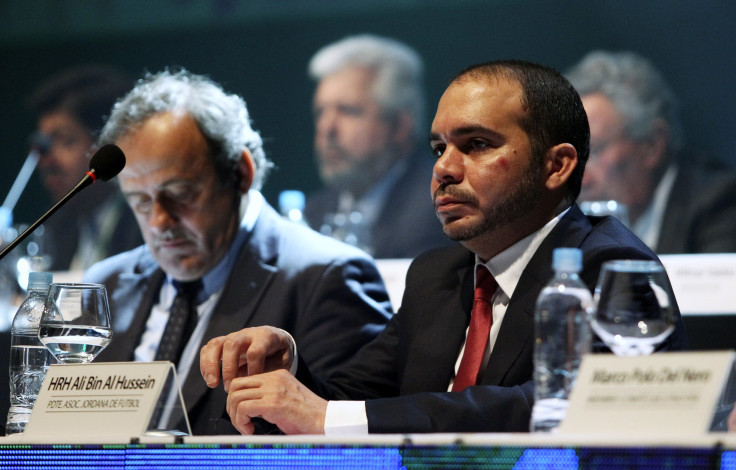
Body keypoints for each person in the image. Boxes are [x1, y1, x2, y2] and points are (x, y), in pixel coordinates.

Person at [199, 60, 688, 435]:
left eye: (475, 144)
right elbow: (354, 399)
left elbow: (560, 407)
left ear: (556, 166)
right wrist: (288, 374)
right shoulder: (438, 274)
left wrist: (324, 415)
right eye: (439, 149)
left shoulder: (613, 267)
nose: (444, 170)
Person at [83, 68, 392, 435]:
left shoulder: (329, 277)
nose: (160, 222)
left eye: (180, 194)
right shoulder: (106, 284)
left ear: (241, 173)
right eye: (140, 201)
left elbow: (353, 433)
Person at [566, 50, 736, 254]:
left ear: (653, 145)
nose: (581, 180)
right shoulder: (563, 216)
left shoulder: (719, 204)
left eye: (595, 151)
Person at [303, 34, 452, 258]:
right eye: (320, 112)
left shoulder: (441, 207)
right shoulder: (312, 214)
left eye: (348, 110)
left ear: (400, 126)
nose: (327, 128)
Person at [25, 64, 143, 270]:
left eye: (65, 141)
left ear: (110, 145)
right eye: (44, 143)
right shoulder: (55, 225)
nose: (45, 160)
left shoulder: (146, 223)